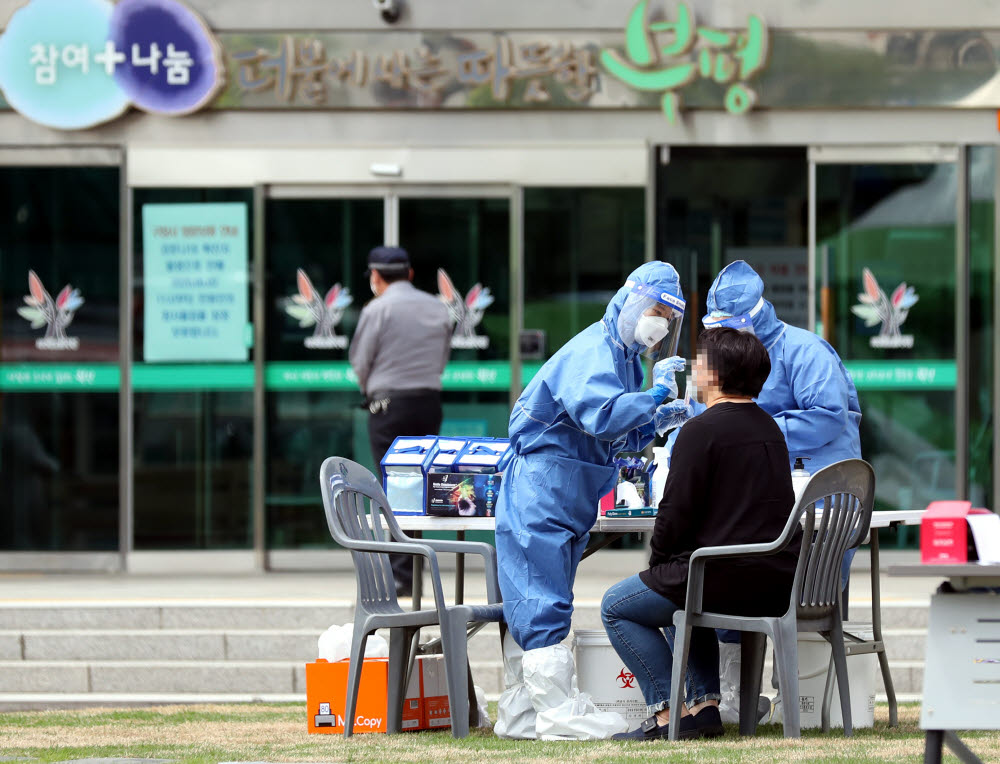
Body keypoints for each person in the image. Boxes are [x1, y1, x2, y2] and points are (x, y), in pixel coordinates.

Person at [494, 261, 691, 741]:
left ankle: (523, 715)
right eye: (656, 310)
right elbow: (602, 416)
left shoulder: (622, 358)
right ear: (631, 300)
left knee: (538, 600)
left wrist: (658, 417)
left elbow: (609, 434)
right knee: (542, 603)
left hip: (562, 493)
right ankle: (559, 715)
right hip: (543, 492)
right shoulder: (594, 350)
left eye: (669, 316)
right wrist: (656, 394)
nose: (660, 324)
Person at [601, 327, 800, 741]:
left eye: (701, 361)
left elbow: (674, 515)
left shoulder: (699, 431)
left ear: (714, 373)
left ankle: (665, 715)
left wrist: (658, 565)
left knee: (616, 606)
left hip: (718, 581)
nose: (694, 369)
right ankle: (705, 708)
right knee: (679, 586)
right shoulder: (771, 430)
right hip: (773, 584)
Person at [694, 259, 862, 723]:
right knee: (728, 567)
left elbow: (828, 416)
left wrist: (755, 430)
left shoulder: (806, 352)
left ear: (755, 315)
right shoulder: (726, 362)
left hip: (819, 509)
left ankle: (798, 698)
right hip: (757, 507)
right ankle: (731, 696)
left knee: (804, 597)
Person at [349, 245, 452, 596]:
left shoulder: (377, 309)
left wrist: (370, 391)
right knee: (421, 483)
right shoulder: (437, 307)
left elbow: (360, 361)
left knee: (392, 486)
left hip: (388, 406)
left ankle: (402, 574)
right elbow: (442, 356)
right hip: (427, 402)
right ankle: (419, 565)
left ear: (376, 277)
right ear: (409, 274)